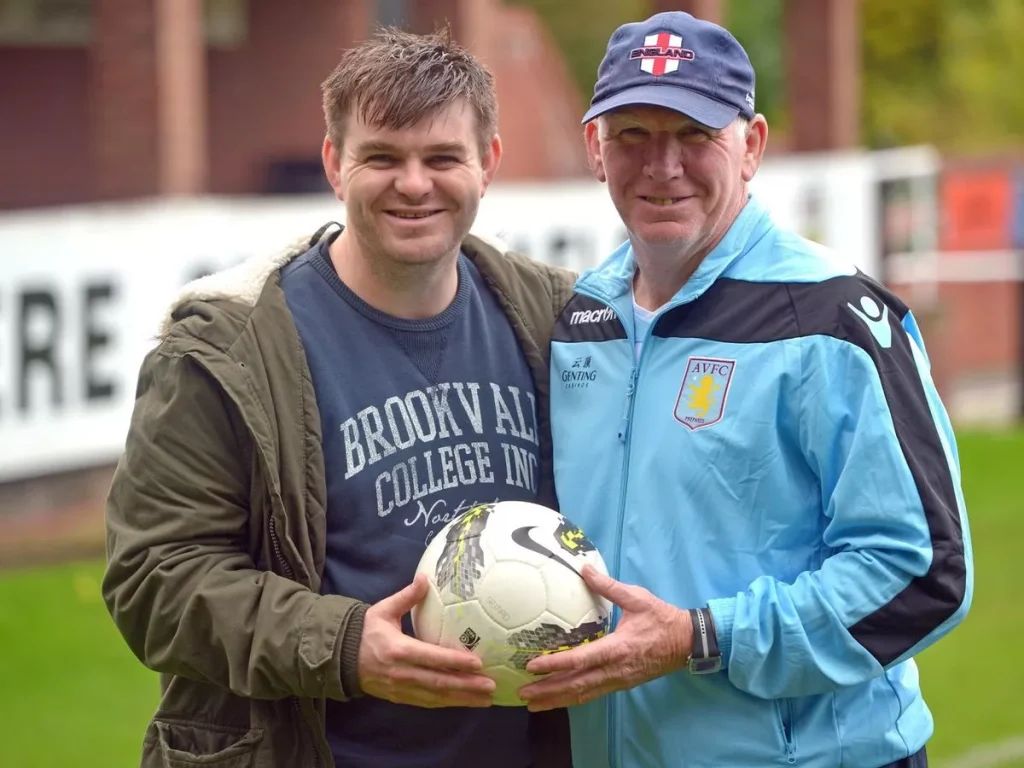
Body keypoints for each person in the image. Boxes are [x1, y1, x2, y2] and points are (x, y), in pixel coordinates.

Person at [102, 27, 575, 768]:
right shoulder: (227, 350)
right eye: (382, 157)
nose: (413, 184)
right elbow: (156, 580)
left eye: (442, 157)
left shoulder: (551, 320)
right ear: (334, 163)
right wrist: (345, 647)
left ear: (488, 163)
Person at [518, 11, 973, 768]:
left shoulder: (833, 319)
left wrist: (703, 638)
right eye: (633, 133)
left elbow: (926, 571)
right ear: (596, 149)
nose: (662, 165)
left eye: (694, 134)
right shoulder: (580, 323)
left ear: (751, 145)